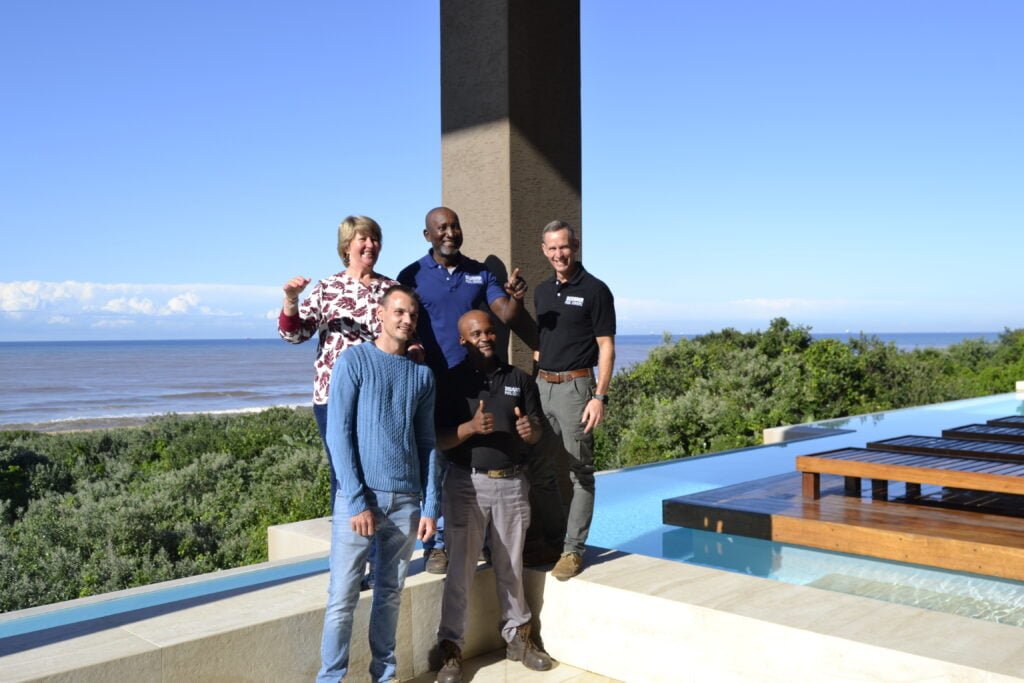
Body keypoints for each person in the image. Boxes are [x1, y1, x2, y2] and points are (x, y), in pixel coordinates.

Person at [316, 286, 441, 683]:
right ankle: (330, 679)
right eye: (400, 312)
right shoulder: (354, 361)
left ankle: (383, 677)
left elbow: (427, 443)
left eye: (413, 315)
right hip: (360, 502)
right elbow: (339, 433)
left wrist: (430, 505)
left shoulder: (422, 375)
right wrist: (355, 500)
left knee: (389, 596)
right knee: (341, 600)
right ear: (382, 314)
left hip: (406, 502)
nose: (407, 320)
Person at [397, 206, 528, 574]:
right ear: (428, 236)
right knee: (434, 459)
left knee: (477, 452)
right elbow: (399, 319)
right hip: (430, 383)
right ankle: (435, 544)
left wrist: (514, 297)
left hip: (476, 383)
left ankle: (481, 536)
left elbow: (503, 313)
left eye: (455, 226)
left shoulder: (479, 273)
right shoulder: (411, 275)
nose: (449, 233)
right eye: (441, 228)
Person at [433, 311, 552, 682]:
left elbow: (536, 433)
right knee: (460, 567)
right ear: (463, 340)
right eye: (476, 333)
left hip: (512, 484)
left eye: (489, 331)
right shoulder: (452, 383)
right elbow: (438, 439)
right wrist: (469, 428)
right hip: (465, 484)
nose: (485, 337)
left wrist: (529, 429)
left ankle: (519, 636)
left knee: (510, 565)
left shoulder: (518, 379)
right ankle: (451, 647)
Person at [277, 215, 400, 514]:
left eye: (374, 238)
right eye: (363, 239)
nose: (370, 245)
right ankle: (347, 545)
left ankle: (378, 546)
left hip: (381, 395)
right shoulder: (328, 288)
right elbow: (294, 334)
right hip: (333, 397)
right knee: (343, 471)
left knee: (379, 469)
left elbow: (410, 335)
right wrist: (291, 300)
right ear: (346, 246)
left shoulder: (393, 289)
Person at [532, 220, 616, 580]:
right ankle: (554, 539)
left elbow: (606, 347)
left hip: (576, 388)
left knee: (579, 471)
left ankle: (572, 551)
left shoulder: (596, 290)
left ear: (575, 245)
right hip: (542, 386)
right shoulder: (541, 292)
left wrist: (599, 396)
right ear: (544, 250)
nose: (558, 254)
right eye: (551, 248)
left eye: (563, 247)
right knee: (536, 468)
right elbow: (542, 342)